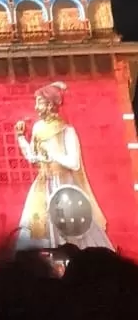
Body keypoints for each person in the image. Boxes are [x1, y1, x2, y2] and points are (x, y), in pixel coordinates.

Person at [14, 81, 112, 250]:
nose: (36, 107)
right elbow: (33, 157)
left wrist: (53, 153)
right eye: (36, 102)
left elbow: (73, 163)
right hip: (44, 186)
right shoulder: (38, 128)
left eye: (40, 102)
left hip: (64, 186)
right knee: (38, 228)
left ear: (51, 104)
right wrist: (21, 137)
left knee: (71, 228)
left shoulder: (67, 130)